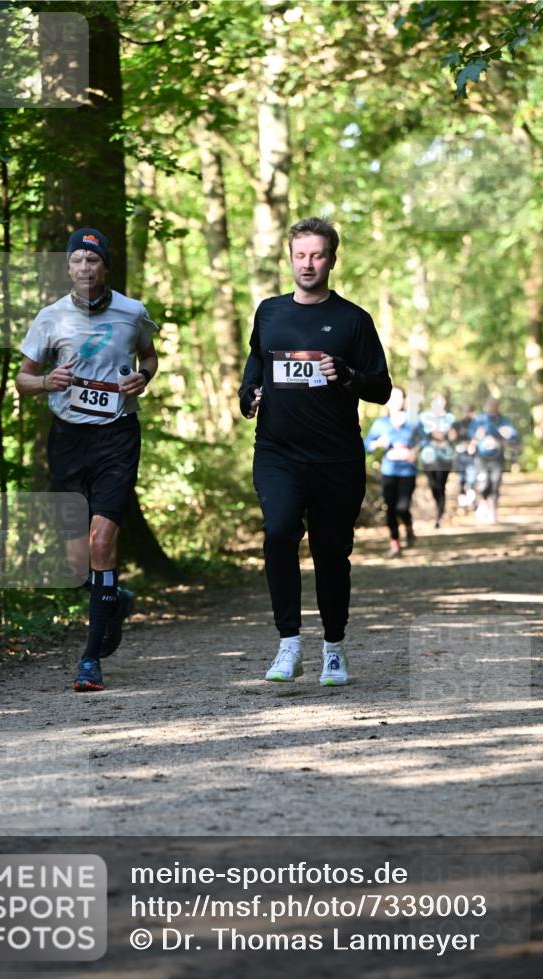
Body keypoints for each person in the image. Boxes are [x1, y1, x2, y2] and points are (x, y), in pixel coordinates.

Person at [239, 216, 392, 686]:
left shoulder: (353, 320)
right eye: (300, 255)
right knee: (279, 531)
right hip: (278, 452)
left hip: (336, 457)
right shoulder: (269, 313)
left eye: (317, 255)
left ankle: (333, 648)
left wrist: (346, 374)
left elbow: (382, 389)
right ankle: (289, 644)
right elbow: (253, 372)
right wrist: (249, 397)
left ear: (332, 259)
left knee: (331, 554)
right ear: (290, 259)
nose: (308, 264)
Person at [15, 228, 158, 692]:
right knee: (78, 560)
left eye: (92, 261)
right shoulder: (50, 317)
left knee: (101, 544)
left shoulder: (132, 312)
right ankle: (113, 598)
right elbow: (23, 378)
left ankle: (90, 660)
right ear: (68, 268)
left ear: (105, 267)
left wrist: (144, 379)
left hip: (117, 437)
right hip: (68, 440)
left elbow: (149, 358)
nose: (84, 269)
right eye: (77, 261)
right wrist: (45, 383)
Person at [364, 387, 421, 557]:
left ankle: (409, 527)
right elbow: (366, 444)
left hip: (408, 471)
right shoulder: (381, 423)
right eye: (392, 398)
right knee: (390, 507)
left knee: (402, 507)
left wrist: (414, 452)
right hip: (389, 470)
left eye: (399, 398)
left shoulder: (413, 422)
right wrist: (377, 444)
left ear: (404, 400)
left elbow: (423, 441)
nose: (396, 401)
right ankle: (394, 542)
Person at [468, 397, 519, 523]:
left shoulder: (503, 420)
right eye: (490, 405)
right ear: (486, 406)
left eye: (495, 405)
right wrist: (475, 438)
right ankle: (482, 503)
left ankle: (493, 510)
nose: (493, 407)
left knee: (495, 483)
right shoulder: (479, 420)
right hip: (482, 458)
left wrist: (506, 435)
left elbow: (512, 434)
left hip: (497, 458)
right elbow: (470, 433)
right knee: (484, 483)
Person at [418, 391, 455, 528]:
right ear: (431, 403)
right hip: (428, 456)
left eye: (442, 402)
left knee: (441, 484)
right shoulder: (423, 417)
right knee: (434, 485)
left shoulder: (450, 418)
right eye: (436, 402)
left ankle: (440, 515)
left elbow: (454, 436)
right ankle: (439, 509)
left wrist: (449, 434)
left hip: (445, 457)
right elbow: (418, 434)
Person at [452, 403, 477, 509]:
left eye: (469, 411)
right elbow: (452, 437)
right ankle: (462, 501)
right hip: (461, 454)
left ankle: (471, 501)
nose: (467, 413)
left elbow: (478, 435)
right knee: (461, 478)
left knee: (471, 478)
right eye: (465, 410)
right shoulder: (457, 424)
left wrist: (473, 444)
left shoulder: (476, 424)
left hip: (472, 455)